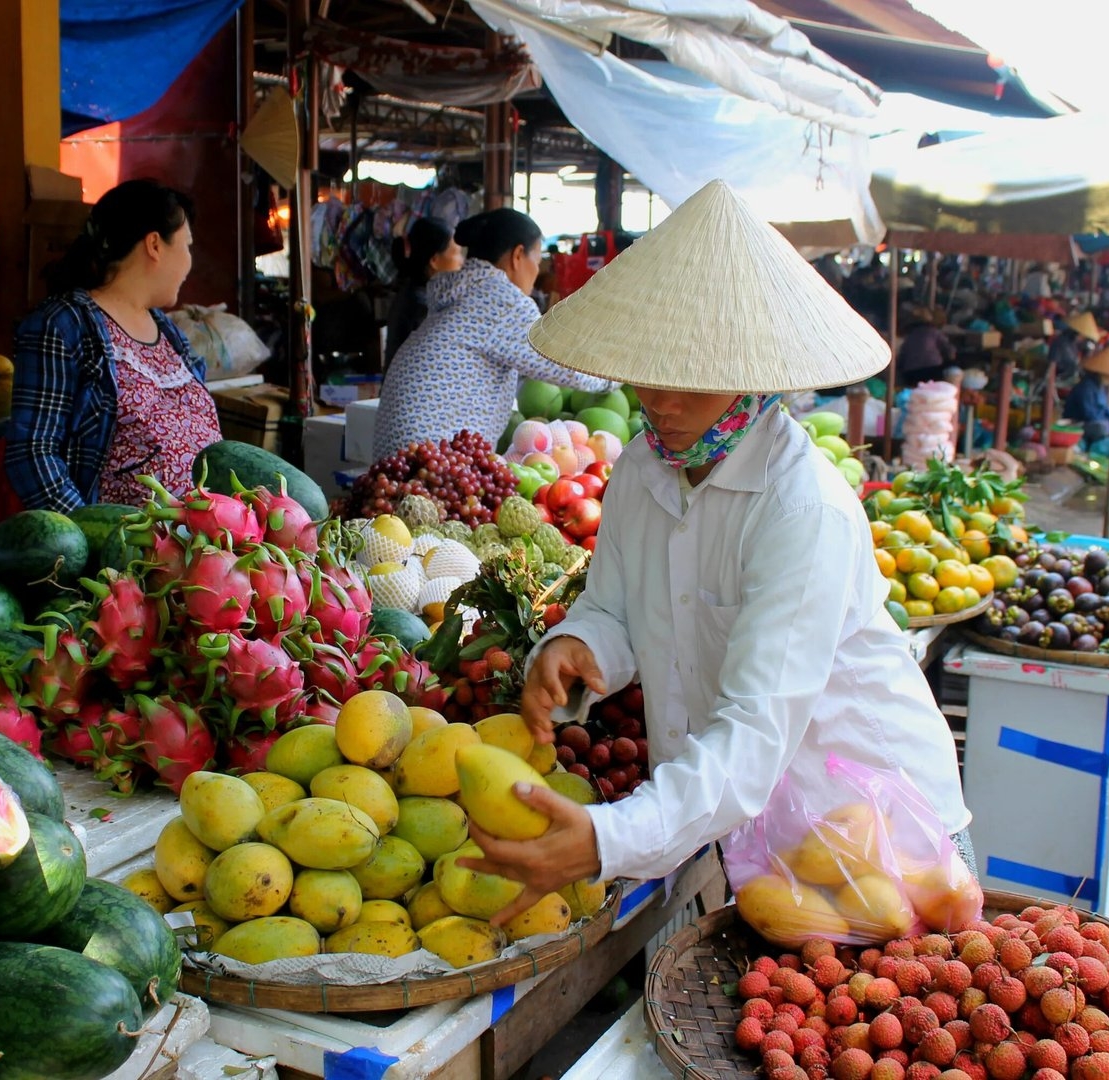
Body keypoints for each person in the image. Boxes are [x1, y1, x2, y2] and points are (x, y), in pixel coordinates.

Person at [455, 180, 971, 922]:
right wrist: (578, 646)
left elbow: (755, 728)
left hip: (884, 833)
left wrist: (608, 838)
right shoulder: (643, 467)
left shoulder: (802, 508)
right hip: (762, 840)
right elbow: (618, 606)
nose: (662, 403)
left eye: (691, 384)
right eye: (650, 375)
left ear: (749, 376)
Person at [5, 178, 219, 512]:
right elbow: (32, 453)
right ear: (154, 245)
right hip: (122, 542)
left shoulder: (169, 331)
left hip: (200, 537)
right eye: (187, 246)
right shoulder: (63, 325)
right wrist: (88, 532)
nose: (189, 262)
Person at [372, 208, 613, 461]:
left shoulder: (464, 291)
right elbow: (566, 365)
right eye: (537, 260)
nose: (537, 270)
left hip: (395, 461)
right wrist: (618, 372)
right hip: (428, 465)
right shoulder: (500, 300)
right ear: (517, 256)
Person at [383, 216, 463, 362]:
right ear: (434, 261)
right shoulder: (422, 307)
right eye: (457, 253)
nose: (461, 262)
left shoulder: (416, 293)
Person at [1061, 345, 1109, 444]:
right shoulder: (1086, 388)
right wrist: (1108, 421)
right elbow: (1088, 414)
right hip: (1076, 423)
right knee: (1102, 428)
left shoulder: (1099, 388)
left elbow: (1106, 409)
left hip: (1094, 421)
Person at [894, 305, 955, 385]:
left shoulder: (910, 336)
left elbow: (902, 357)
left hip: (911, 373)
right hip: (932, 369)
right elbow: (949, 351)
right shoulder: (934, 332)